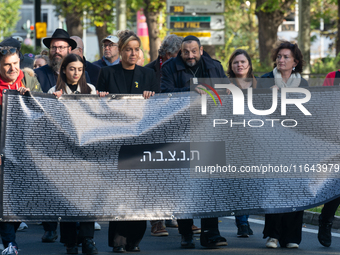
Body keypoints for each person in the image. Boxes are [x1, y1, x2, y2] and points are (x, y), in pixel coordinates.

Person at [160, 35, 228, 249]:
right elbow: (165, 95)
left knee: (210, 184)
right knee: (184, 185)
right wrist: (188, 91)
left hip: (211, 132)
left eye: (194, 51)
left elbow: (226, 94)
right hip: (183, 133)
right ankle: (186, 233)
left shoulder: (215, 67)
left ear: (201, 50)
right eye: (185, 52)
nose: (190, 56)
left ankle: (211, 233)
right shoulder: (170, 67)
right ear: (180, 52)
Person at [96, 30, 157, 253]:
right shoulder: (106, 73)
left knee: (139, 193)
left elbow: (160, 109)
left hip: (141, 142)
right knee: (120, 193)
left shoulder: (149, 75)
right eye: (128, 49)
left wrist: (153, 97)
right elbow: (97, 108)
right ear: (120, 52)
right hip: (116, 142)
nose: (133, 53)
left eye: (136, 49)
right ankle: (119, 241)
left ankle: (135, 240)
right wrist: (100, 98)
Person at [48, 54, 106, 254]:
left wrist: (102, 100)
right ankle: (70, 242)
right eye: (72, 69)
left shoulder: (90, 89)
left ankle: (88, 239)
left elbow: (97, 117)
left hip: (86, 151)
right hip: (65, 154)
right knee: (68, 200)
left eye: (79, 69)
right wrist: (53, 103)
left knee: (88, 198)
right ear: (64, 69)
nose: (75, 73)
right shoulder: (53, 91)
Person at [260, 41, 307, 249]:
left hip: (296, 144)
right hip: (271, 142)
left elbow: (308, 114)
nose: (281, 60)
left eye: (286, 57)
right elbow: (255, 110)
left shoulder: (304, 85)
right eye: (279, 56)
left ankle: (291, 237)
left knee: (295, 189)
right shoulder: (265, 81)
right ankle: (273, 235)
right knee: (275, 188)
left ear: (295, 62)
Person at [0, 40, 42, 255]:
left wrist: (31, 98)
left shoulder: (30, 80)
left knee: (21, 201)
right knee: (5, 198)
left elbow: (44, 110)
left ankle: (6, 237)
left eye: (15, 63)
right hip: (2, 154)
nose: (13, 68)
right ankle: (10, 244)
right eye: (7, 64)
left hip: (25, 152)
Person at [226, 49, 255, 238]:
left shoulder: (260, 84)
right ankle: (242, 223)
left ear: (249, 65)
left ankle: (244, 219)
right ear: (231, 66)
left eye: (243, 62)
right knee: (239, 183)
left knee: (251, 183)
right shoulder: (225, 85)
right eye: (236, 62)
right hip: (233, 140)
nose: (240, 65)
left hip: (255, 140)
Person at [34, 28, 91, 94]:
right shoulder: (38, 74)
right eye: (53, 47)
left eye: (61, 47)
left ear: (69, 49)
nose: (57, 51)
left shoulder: (82, 74)